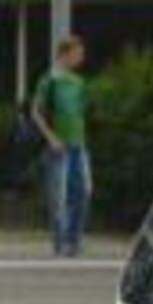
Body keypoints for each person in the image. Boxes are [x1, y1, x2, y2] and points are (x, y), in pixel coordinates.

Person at [31, 35, 93, 256]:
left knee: (84, 191)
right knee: (59, 196)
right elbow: (36, 112)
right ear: (65, 54)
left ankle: (74, 240)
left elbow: (81, 112)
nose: (81, 58)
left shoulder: (78, 82)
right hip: (59, 146)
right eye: (78, 53)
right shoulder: (49, 81)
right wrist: (51, 138)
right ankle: (61, 243)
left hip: (79, 144)